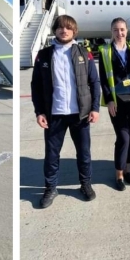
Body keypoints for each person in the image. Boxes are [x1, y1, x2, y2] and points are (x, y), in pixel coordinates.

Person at [31, 15, 100, 208]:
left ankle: (85, 184)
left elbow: (94, 82)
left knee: (84, 153)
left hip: (81, 114)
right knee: (52, 156)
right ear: (55, 30)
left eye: (68, 27)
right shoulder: (44, 55)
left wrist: (95, 108)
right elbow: (36, 85)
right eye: (60, 27)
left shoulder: (84, 53)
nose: (64, 30)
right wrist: (39, 112)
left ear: (74, 31)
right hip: (55, 115)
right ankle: (50, 188)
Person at [98, 17, 130, 190]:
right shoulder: (105, 51)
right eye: (115, 30)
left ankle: (128, 169)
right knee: (123, 137)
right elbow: (104, 79)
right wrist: (109, 100)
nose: (119, 33)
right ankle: (118, 174)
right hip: (117, 102)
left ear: (127, 31)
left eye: (122, 30)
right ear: (111, 32)